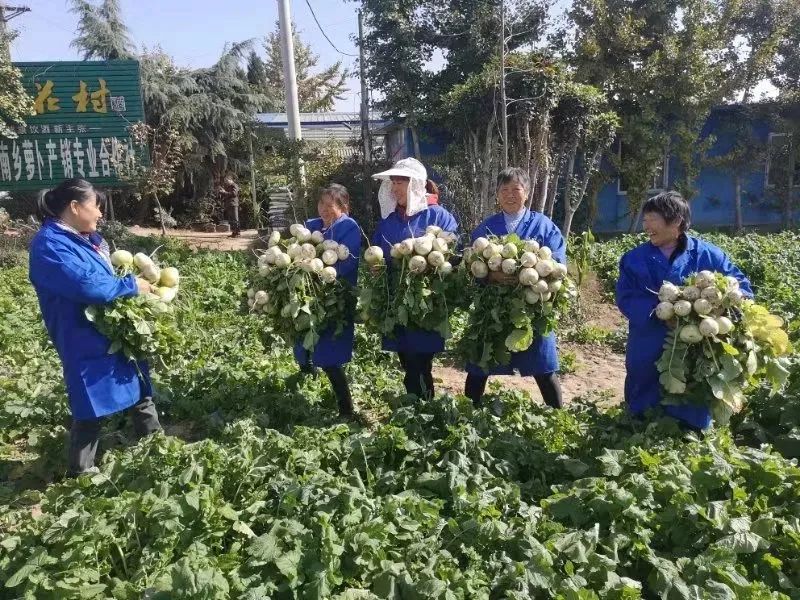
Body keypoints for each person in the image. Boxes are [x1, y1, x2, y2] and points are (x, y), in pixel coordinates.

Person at [28, 179, 162, 476]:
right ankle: (81, 471)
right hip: (80, 332)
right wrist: (130, 286)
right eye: (96, 207)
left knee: (137, 378)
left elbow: (102, 276)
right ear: (75, 207)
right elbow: (87, 286)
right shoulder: (50, 244)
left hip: (110, 327)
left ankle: (156, 444)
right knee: (90, 398)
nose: (101, 213)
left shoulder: (82, 237)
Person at [616, 190, 753, 430]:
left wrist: (716, 310)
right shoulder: (634, 259)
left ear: (676, 221)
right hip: (648, 336)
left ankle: (691, 433)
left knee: (692, 385)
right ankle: (640, 428)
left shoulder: (708, 254)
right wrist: (660, 313)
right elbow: (626, 296)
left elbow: (741, 287)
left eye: (652, 219)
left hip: (696, 340)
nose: (645, 226)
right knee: (644, 382)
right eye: (644, 219)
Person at [464, 167, 566, 409]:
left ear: (527, 193)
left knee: (543, 366)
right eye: (504, 190)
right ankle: (469, 412)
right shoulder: (486, 228)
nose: (510, 195)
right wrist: (492, 275)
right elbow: (471, 265)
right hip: (493, 308)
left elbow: (557, 263)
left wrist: (526, 276)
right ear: (497, 195)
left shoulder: (544, 225)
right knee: (480, 363)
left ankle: (558, 414)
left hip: (532, 307)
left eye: (516, 189)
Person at [371, 157, 458, 399]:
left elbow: (453, 254)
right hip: (396, 300)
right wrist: (377, 266)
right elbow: (378, 251)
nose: (394, 188)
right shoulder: (389, 220)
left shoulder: (438, 216)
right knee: (407, 359)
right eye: (393, 183)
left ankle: (424, 407)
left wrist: (429, 265)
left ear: (416, 185)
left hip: (426, 302)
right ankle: (417, 406)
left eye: (400, 182)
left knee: (420, 361)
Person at [294, 184, 361, 418]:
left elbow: (348, 262)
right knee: (304, 342)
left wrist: (319, 275)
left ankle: (346, 409)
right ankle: (308, 383)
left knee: (329, 354)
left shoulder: (349, 227)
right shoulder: (312, 226)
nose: (324, 209)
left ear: (342, 207)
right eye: (321, 203)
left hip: (334, 299)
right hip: (308, 297)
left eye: (330, 205)